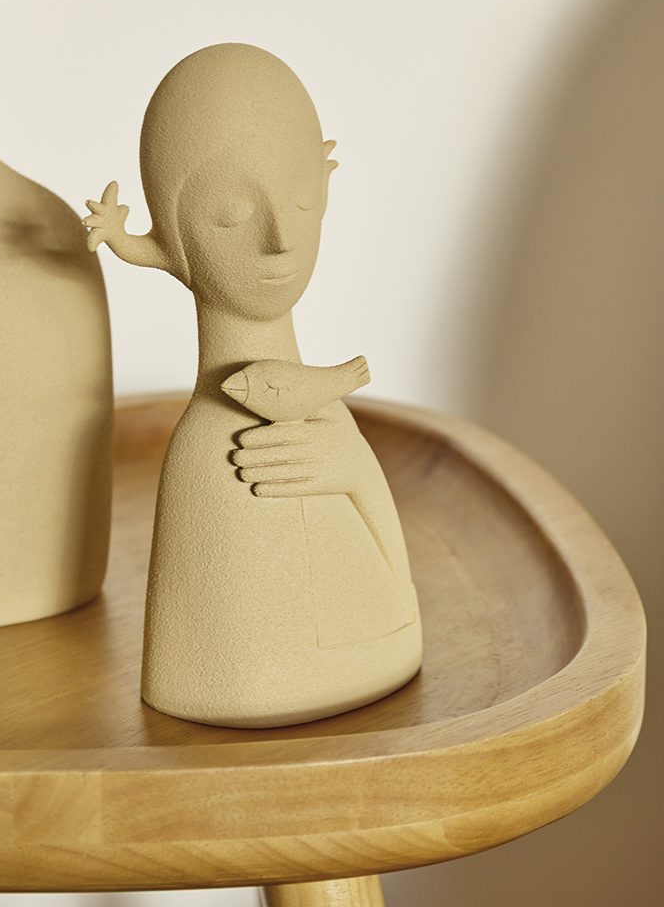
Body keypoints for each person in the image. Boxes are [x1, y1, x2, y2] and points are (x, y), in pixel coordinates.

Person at [86, 43, 421, 727]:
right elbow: (199, 673)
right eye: (229, 216)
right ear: (170, 239)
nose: (279, 240)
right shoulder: (211, 457)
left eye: (301, 200)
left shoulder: (330, 425)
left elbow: (392, 586)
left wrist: (356, 473)